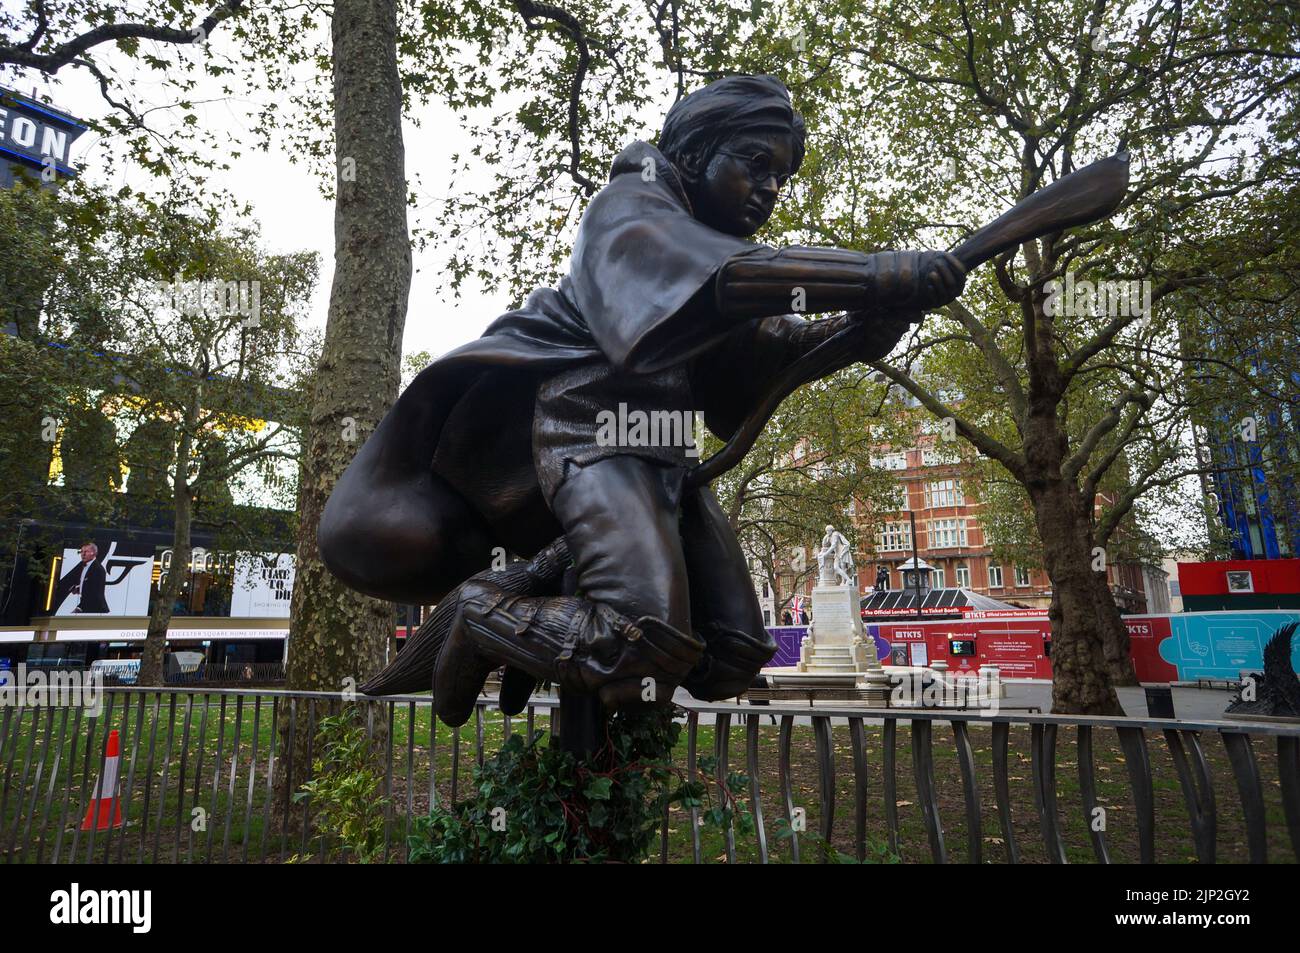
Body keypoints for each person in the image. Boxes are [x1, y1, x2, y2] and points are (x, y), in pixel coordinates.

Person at [321, 75, 965, 726]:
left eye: (782, 177)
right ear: (692, 155)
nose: (772, 188)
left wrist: (859, 332)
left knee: (733, 651)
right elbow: (723, 282)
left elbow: (748, 369)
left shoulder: (721, 257)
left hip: (666, 453)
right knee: (640, 636)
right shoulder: (630, 210)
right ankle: (481, 613)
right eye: (756, 164)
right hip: (591, 426)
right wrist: (878, 274)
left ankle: (550, 635)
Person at [52, 542, 110, 614]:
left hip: (95, 608)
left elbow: (94, 592)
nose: (83, 554)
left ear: (94, 553)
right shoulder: (84, 566)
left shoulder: (98, 569)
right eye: (81, 551)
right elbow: (88, 584)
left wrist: (80, 608)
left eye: (86, 551)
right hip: (87, 606)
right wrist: (78, 588)